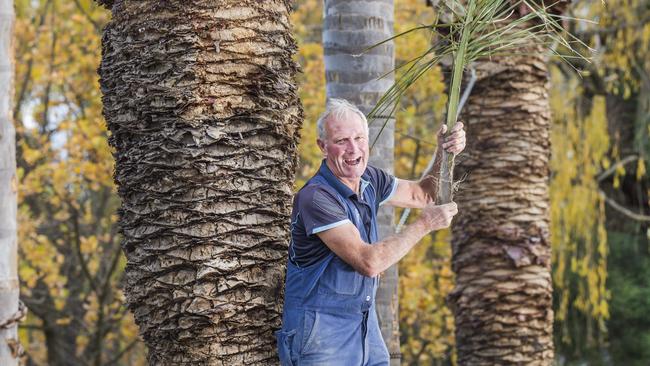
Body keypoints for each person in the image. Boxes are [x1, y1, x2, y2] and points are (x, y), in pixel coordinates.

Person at [276, 98, 466, 365]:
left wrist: (445, 153)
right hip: (320, 331)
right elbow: (369, 262)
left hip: (365, 324)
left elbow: (424, 194)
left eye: (359, 138)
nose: (353, 149)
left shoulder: (370, 179)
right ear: (322, 146)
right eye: (341, 140)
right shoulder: (316, 197)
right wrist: (424, 224)